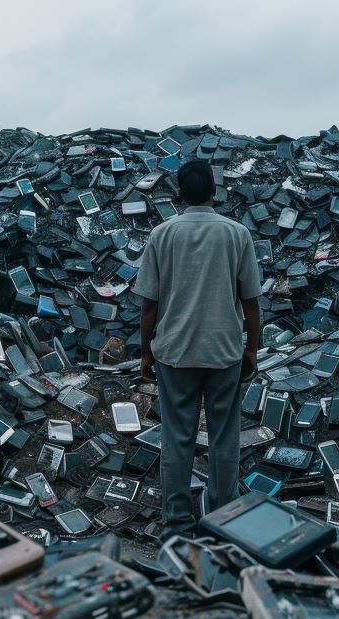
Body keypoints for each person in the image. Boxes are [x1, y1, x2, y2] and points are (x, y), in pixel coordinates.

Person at [130, 160, 262, 537]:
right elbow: (251, 302)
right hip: (223, 352)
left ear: (178, 194)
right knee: (224, 438)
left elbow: (149, 305)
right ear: (214, 193)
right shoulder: (237, 234)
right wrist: (251, 349)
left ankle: (176, 523)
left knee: (177, 438)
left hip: (175, 352)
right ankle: (224, 522)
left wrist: (145, 352)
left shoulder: (162, 234)